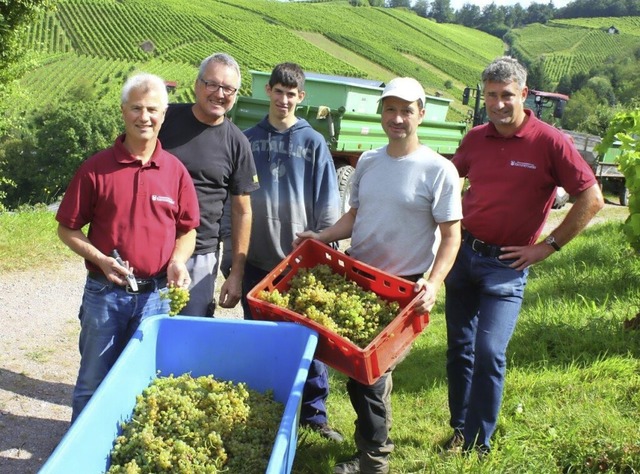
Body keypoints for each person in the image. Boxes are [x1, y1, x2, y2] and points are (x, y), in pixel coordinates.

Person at [295, 77, 463, 474]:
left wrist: (434, 283)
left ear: (421, 114)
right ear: (381, 113)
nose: (398, 118)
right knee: (358, 374)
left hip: (402, 288)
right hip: (357, 280)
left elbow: (451, 236)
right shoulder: (369, 161)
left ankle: (374, 460)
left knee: (370, 375)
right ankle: (372, 448)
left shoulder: (439, 170)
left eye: (407, 110)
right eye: (390, 109)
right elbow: (355, 216)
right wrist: (322, 235)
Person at [442, 56, 604, 457]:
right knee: (459, 348)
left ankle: (480, 444)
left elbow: (593, 199)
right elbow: (447, 178)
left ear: (524, 94)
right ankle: (460, 429)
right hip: (464, 255)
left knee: (489, 352)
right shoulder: (476, 138)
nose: (498, 104)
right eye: (491, 96)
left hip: (507, 268)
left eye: (506, 96)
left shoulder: (550, 142)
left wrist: (547, 247)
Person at [56, 73, 200, 422]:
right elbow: (67, 229)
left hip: (156, 297)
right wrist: (101, 260)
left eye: (152, 109)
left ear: (164, 115)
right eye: (136, 108)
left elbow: (187, 230)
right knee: (93, 380)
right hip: (105, 294)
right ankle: (82, 458)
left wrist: (178, 262)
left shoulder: (176, 172)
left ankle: (126, 451)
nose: (144, 117)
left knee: (144, 380)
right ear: (123, 111)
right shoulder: (96, 169)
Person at [240, 62, 343, 442]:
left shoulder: (313, 142)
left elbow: (328, 204)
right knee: (261, 339)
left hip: (300, 265)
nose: (284, 100)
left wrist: (324, 247)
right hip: (257, 260)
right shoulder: (247, 140)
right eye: (278, 91)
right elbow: (236, 202)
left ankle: (315, 416)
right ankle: (264, 407)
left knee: (309, 342)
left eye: (292, 94)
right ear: (267, 91)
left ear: (301, 97)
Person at [158, 52, 259, 316]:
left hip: (200, 256)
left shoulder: (238, 143)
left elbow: (242, 211)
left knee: (189, 337)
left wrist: (236, 273)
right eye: (212, 84)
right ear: (197, 84)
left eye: (228, 88)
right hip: (150, 246)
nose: (219, 93)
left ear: (235, 95)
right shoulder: (165, 120)